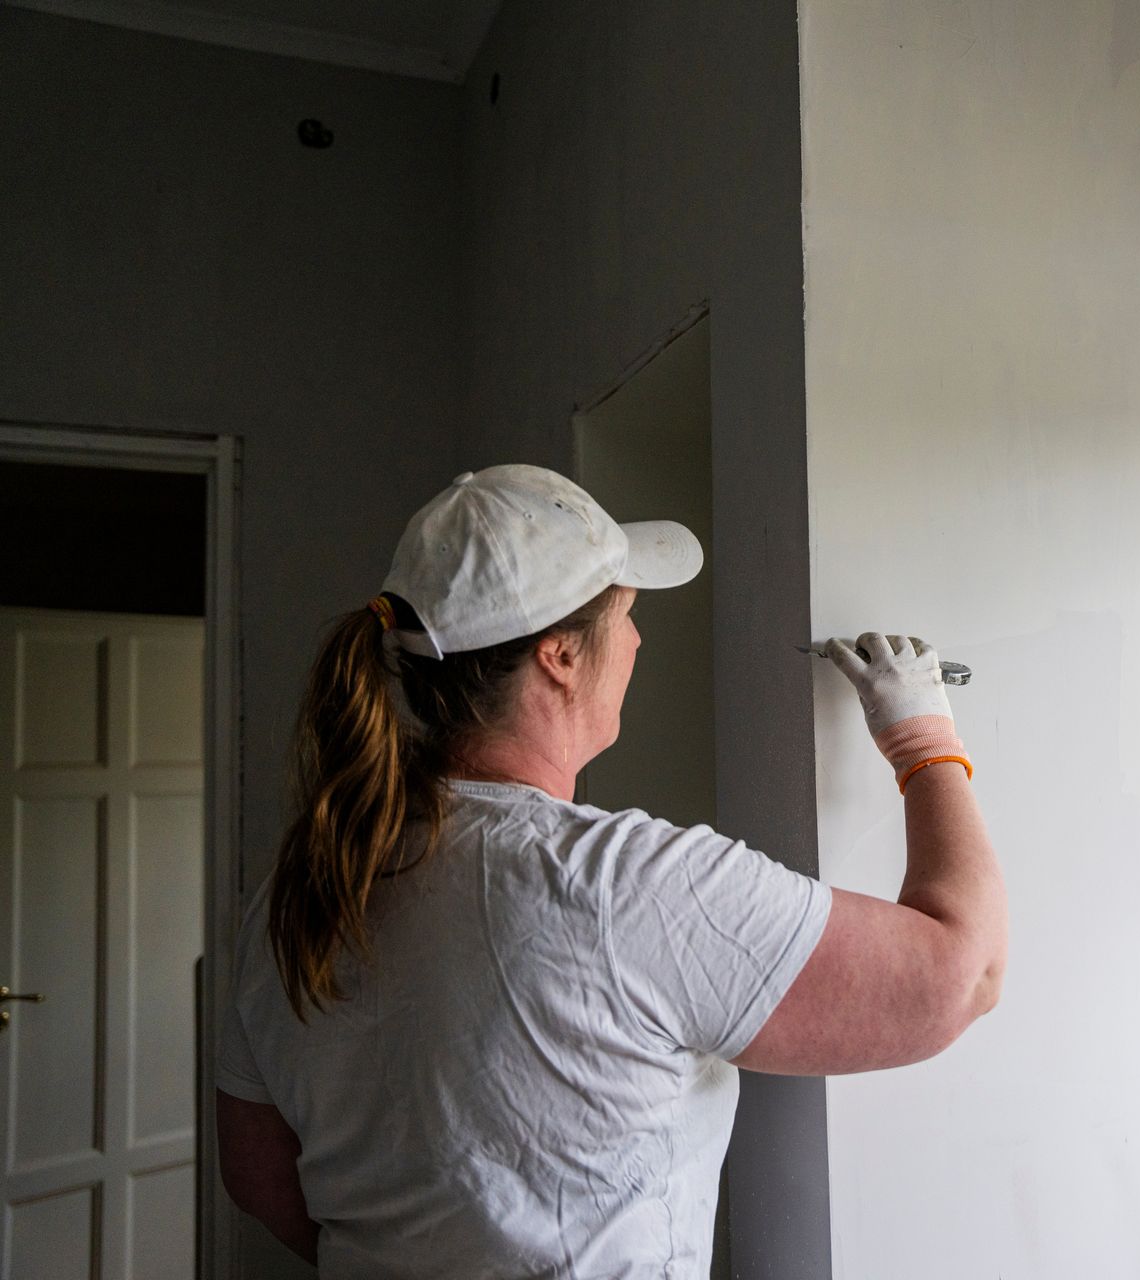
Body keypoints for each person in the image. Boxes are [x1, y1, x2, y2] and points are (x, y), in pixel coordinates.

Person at [214, 464, 1006, 1276]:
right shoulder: (622, 886)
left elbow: (257, 1176)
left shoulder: (303, 887)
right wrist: (924, 745)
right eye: (625, 612)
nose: (636, 639)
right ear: (558, 654)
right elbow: (962, 974)